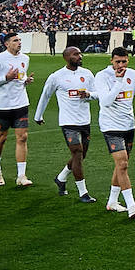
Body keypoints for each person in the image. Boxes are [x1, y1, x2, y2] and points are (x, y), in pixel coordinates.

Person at [95, 47, 135, 217]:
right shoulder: (102, 76)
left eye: (124, 61)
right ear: (111, 61)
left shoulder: (133, 74)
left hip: (128, 125)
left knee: (120, 165)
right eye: (117, 62)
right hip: (110, 126)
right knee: (122, 164)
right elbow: (106, 101)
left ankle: (112, 201)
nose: (121, 65)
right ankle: (132, 206)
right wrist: (119, 82)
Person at [35, 46, 98, 203]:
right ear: (66, 57)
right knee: (77, 153)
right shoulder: (57, 76)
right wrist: (38, 115)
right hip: (68, 122)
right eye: (76, 54)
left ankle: (61, 178)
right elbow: (45, 95)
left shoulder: (87, 74)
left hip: (85, 121)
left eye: (80, 53)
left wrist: (89, 95)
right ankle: (83, 193)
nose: (80, 56)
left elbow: (98, 93)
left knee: (81, 155)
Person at [0, 32, 35, 187]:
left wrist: (25, 81)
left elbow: (20, 78)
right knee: (2, 137)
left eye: (19, 40)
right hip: (3, 105)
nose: (19, 43)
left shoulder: (25, 58)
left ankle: (21, 176)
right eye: (15, 40)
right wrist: (5, 78)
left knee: (22, 137)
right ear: (6, 44)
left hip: (21, 103)